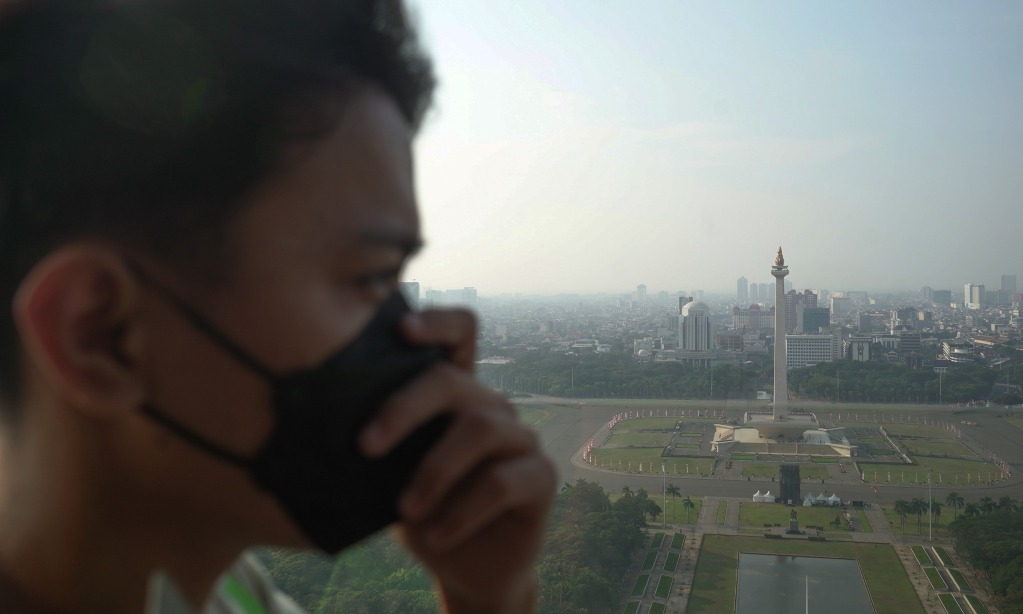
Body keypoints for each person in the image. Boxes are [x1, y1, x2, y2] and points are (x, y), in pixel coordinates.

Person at [0, 1, 555, 612]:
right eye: (370, 277)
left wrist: (488, 595)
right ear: (100, 334)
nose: (436, 342)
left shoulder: (230, 596)